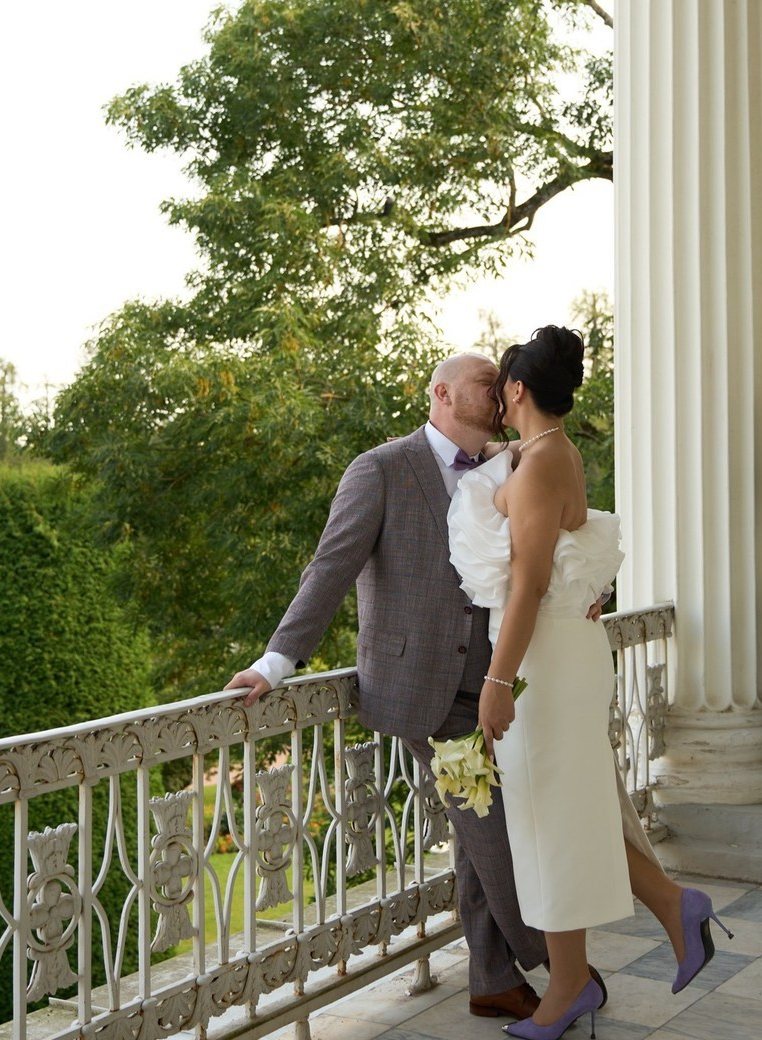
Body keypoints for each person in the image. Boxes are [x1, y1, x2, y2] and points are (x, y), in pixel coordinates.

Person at [224, 353, 554, 1021]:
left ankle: (493, 980)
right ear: (441, 392)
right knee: (494, 833)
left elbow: (540, 548)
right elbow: (330, 568)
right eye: (482, 381)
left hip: (496, 683)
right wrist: (275, 662)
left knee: (477, 838)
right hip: (424, 694)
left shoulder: (507, 463)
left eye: (501, 382)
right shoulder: (379, 469)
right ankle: (557, 958)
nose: (497, 390)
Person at [448, 327, 731, 1040]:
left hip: (542, 657)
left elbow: (530, 584)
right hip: (557, 647)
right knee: (564, 819)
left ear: (516, 389)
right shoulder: (544, 453)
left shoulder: (541, 466)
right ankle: (661, 914)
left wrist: (497, 679)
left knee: (553, 825)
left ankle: (576, 980)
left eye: (501, 390)